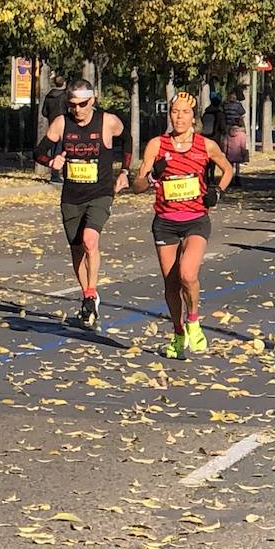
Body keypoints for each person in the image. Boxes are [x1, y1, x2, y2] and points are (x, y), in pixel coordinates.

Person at [132, 92, 234, 359]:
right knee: (171, 283)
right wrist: (154, 173)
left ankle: (193, 320)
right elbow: (137, 186)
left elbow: (228, 169)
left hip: (196, 220)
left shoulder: (205, 145)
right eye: (174, 112)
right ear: (169, 115)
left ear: (194, 116)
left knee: (188, 274)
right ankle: (178, 333)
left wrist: (218, 192)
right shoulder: (157, 144)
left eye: (185, 112)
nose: (179, 117)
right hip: (165, 222)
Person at [33, 78, 130, 331]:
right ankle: (88, 296)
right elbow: (39, 152)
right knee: (77, 249)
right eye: (72, 104)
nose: (77, 109)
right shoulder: (62, 123)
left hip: (100, 193)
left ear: (93, 100)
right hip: (71, 197)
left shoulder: (107, 121)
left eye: (83, 104)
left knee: (90, 240)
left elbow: (127, 138)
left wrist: (125, 171)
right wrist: (51, 161)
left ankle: (90, 293)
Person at [40, 74, 68, 183]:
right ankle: (59, 175)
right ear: (64, 83)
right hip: (64, 126)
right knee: (62, 150)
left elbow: (44, 112)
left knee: (54, 150)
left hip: (52, 125)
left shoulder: (49, 96)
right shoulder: (65, 96)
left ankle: (54, 174)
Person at [221, 86, 249, 181]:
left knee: (229, 160)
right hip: (236, 128)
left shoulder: (224, 105)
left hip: (228, 128)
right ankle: (237, 176)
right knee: (237, 162)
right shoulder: (238, 106)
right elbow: (242, 113)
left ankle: (229, 176)